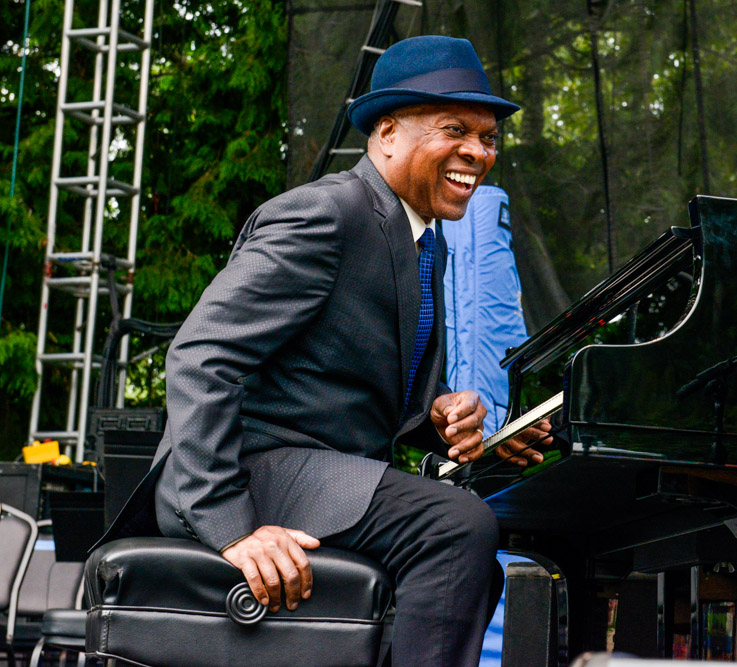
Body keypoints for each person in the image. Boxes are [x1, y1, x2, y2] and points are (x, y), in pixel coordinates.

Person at [98, 35, 551, 666]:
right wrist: (230, 526)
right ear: (388, 132)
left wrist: (440, 416)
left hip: (322, 472)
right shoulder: (326, 211)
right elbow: (201, 355)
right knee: (455, 525)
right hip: (249, 470)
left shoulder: (426, 240)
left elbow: (355, 391)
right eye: (457, 129)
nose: (478, 151)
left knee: (467, 533)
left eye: (490, 137)